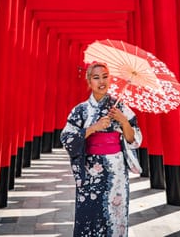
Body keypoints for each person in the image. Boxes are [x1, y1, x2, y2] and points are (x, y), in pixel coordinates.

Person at [60, 61, 142, 237]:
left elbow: (133, 139)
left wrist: (123, 121)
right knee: (89, 214)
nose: (101, 81)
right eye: (96, 77)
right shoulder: (80, 110)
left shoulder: (120, 107)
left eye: (105, 76)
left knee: (116, 214)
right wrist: (92, 128)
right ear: (89, 82)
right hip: (91, 170)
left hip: (116, 171)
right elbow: (66, 138)